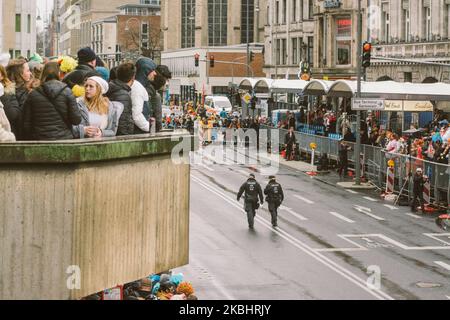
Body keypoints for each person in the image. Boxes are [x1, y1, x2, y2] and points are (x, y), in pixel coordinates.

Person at [22, 62, 81, 141]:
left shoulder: (33, 94)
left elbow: (26, 124)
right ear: (58, 73)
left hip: (40, 140)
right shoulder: (67, 92)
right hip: (64, 139)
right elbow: (76, 120)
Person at [5, 59, 32, 140]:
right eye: (28, 70)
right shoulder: (26, 92)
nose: (30, 73)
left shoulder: (5, 90)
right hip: (22, 137)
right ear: (20, 74)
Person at [106, 63, 135, 136]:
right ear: (133, 78)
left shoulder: (111, 87)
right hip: (120, 136)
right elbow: (123, 120)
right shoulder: (123, 95)